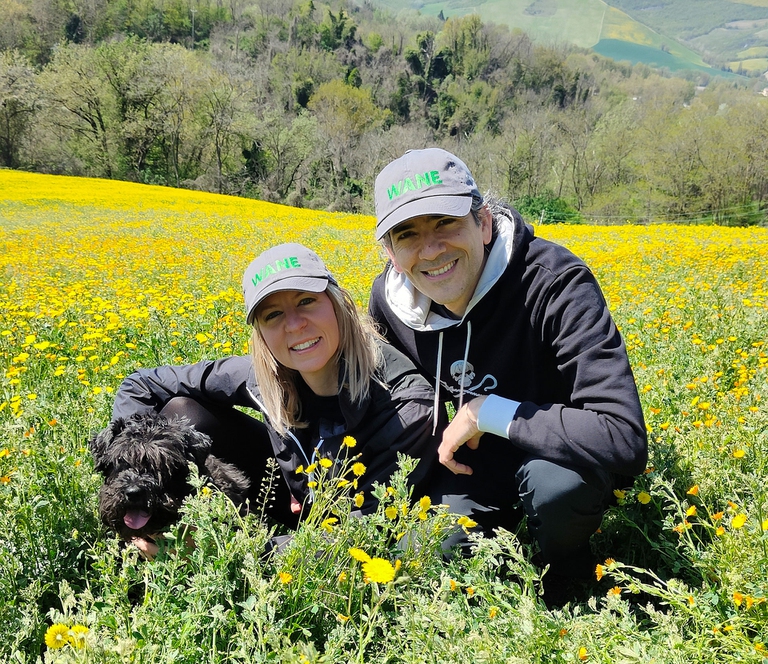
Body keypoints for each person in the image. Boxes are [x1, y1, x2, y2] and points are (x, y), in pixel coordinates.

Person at [368, 147, 648, 599]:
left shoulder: (554, 282)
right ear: (390, 252)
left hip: (559, 455)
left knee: (556, 490)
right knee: (420, 559)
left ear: (483, 223)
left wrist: (487, 412)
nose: (431, 249)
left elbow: (623, 436)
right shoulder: (389, 302)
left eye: (445, 222)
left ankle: (568, 566)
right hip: (470, 467)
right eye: (407, 234)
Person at [111, 242, 440, 557]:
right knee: (182, 412)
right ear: (261, 333)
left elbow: (365, 534)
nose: (294, 325)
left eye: (306, 301)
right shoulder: (263, 374)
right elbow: (141, 384)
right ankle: (161, 522)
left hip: (358, 520)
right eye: (272, 315)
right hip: (293, 495)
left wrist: (222, 551)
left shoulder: (405, 404)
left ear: (340, 302)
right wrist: (131, 468)